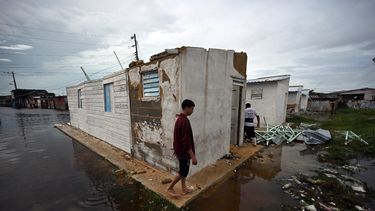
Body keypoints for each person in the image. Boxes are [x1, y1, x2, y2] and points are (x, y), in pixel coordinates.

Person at [167, 99, 197, 197]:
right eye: (192, 109)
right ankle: (170, 188)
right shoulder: (184, 121)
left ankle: (184, 188)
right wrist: (193, 156)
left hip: (180, 151)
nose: (192, 111)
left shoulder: (180, 119)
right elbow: (186, 142)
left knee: (184, 170)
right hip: (184, 152)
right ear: (187, 108)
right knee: (183, 171)